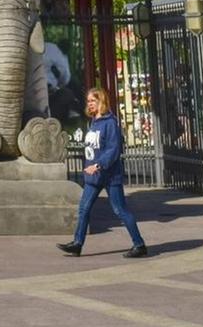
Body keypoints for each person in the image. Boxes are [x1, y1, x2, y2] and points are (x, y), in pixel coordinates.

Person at [57, 86, 148, 259]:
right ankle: (77, 243)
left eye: (93, 101)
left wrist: (98, 165)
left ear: (101, 101)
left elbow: (113, 150)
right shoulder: (93, 122)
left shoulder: (110, 123)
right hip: (93, 177)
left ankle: (139, 244)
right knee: (84, 209)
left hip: (109, 176)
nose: (89, 104)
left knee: (120, 210)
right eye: (88, 101)